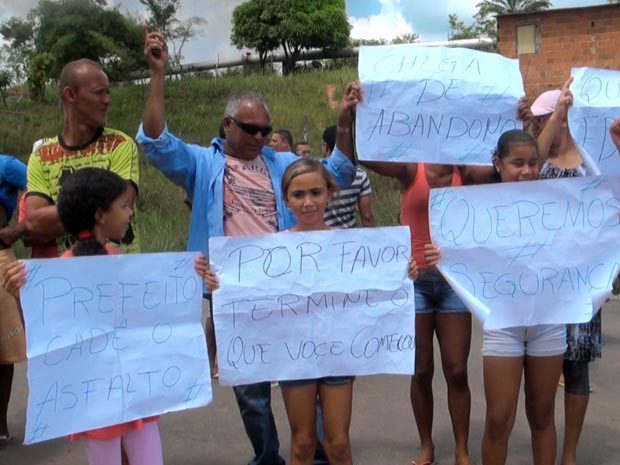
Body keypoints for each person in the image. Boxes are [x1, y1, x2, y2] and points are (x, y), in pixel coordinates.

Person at [138, 30, 358, 465]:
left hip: (290, 289)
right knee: (252, 395)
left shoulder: (279, 164)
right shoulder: (203, 164)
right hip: (233, 294)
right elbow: (156, 142)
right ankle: (268, 457)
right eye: (251, 128)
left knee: (305, 372)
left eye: (266, 130)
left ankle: (311, 454)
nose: (260, 136)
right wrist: (158, 74)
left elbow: (340, 170)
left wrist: (346, 120)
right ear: (227, 125)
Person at [195, 157, 421, 465]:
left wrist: (404, 272)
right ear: (286, 198)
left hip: (339, 355)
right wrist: (217, 279)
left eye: (315, 193)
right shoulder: (270, 250)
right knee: (302, 444)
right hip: (295, 357)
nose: (308, 202)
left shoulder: (352, 246)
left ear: (329, 193)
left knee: (338, 443)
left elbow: (383, 284)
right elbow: (241, 288)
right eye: (298, 195)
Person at [2, 168, 162, 465]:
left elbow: (161, 314)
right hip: (106, 398)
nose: (130, 212)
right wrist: (19, 294)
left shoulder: (123, 266)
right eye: (124, 205)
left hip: (122, 395)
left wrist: (199, 279)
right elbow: (44, 336)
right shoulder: (54, 277)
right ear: (100, 215)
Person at [438, 129, 564, 465]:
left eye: (533, 163)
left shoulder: (559, 200)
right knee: (498, 420)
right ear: (497, 163)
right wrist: (443, 256)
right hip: (504, 324)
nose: (526, 170)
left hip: (548, 321)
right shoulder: (481, 206)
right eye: (517, 163)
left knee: (542, 415)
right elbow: (463, 250)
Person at [523, 80, 602, 465]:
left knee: (576, 368)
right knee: (542, 369)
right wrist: (555, 115)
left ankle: (568, 454)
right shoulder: (537, 165)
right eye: (539, 121)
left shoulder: (592, 162)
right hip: (543, 285)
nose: (539, 127)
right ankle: (546, 448)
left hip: (584, 283)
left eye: (544, 120)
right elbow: (532, 162)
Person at [22, 58, 140, 256]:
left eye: (108, 92)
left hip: (121, 273)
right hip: (72, 280)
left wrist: (62, 214)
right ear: (70, 95)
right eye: (98, 92)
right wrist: (98, 207)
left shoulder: (120, 144)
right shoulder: (41, 156)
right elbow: (34, 223)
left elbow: (121, 208)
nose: (107, 100)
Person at [0, 154, 27, 448]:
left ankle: (1, 426)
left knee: (4, 355)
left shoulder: (6, 166)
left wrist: (18, 229)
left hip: (1, 258)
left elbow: (40, 189)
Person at [321, 125, 375, 229]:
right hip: (351, 238)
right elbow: (367, 216)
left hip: (323, 238)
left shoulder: (316, 173)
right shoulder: (360, 175)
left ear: (325, 146)